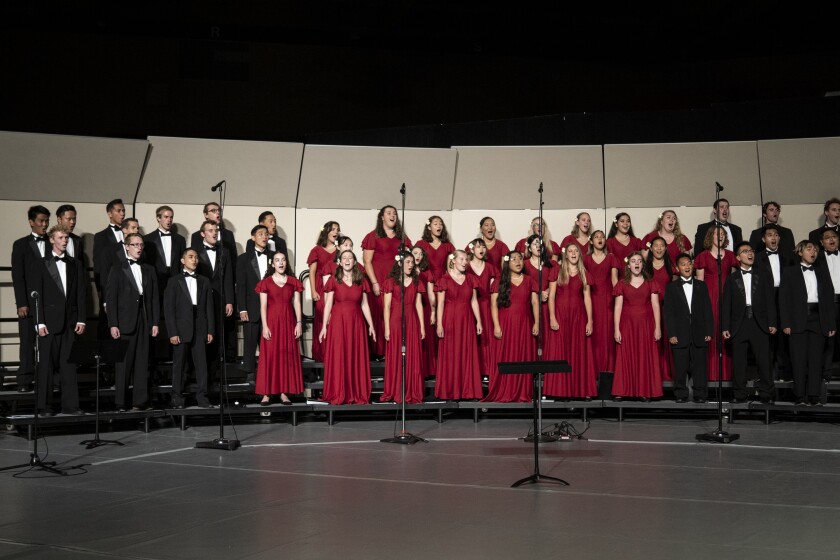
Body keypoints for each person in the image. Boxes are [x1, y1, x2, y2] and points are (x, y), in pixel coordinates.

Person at [34, 225, 86, 415]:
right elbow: (36, 295)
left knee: (69, 365)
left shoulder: (76, 263)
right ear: (52, 240)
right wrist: (39, 322)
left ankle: (71, 406)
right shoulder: (41, 263)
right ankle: (45, 406)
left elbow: (81, 293)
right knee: (46, 366)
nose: (64, 241)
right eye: (61, 237)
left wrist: (81, 319)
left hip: (70, 322)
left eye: (66, 238)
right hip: (48, 322)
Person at [105, 233, 160, 411]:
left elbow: (153, 299)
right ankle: (121, 402)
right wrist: (113, 323)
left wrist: (154, 323)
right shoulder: (117, 269)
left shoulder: (149, 269)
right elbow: (111, 299)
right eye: (135, 245)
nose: (139, 248)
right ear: (126, 247)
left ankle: (140, 401)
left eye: (141, 245)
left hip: (144, 320)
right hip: (124, 322)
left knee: (142, 362)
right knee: (123, 365)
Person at [781, 240, 836, 405]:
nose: (813, 252)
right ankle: (799, 396)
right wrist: (786, 323)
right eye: (809, 249)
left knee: (816, 359)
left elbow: (828, 299)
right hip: (797, 319)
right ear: (800, 252)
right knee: (798, 359)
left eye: (815, 250)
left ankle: (813, 395)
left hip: (817, 319)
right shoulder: (790, 272)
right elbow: (784, 299)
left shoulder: (821, 272)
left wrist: (830, 324)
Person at [722, 241, 777, 403]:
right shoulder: (732, 279)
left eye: (751, 250)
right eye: (745, 251)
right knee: (739, 363)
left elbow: (770, 301)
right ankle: (739, 394)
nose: (750, 253)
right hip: (739, 324)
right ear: (738, 257)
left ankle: (767, 394)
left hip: (759, 323)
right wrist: (725, 326)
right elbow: (727, 304)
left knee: (764, 361)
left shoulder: (763, 275)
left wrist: (772, 322)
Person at [319, 250, 376, 405]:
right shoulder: (333, 279)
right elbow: (328, 304)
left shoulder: (361, 280)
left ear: (355, 261)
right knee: (340, 355)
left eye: (350, 258)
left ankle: (356, 391)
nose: (347, 260)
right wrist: (324, 326)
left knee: (355, 355)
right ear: (340, 262)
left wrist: (371, 325)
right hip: (338, 322)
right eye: (344, 258)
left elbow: (364, 304)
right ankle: (339, 391)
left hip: (356, 322)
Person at [483, 251, 538, 402]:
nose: (518, 261)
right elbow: (493, 305)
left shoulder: (529, 280)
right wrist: (496, 325)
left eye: (520, 258)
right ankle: (503, 391)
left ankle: (521, 392)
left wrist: (537, 322)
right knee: (505, 356)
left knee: (522, 356)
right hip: (505, 323)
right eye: (514, 259)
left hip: (524, 324)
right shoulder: (499, 281)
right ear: (508, 263)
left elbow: (534, 303)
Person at [164, 248, 214, 409]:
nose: (194, 260)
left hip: (200, 327)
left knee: (202, 365)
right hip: (180, 328)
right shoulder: (174, 281)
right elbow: (169, 309)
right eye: (190, 257)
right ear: (182, 260)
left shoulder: (204, 281)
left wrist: (210, 330)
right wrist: (172, 332)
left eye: (196, 257)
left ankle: (202, 397)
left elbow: (209, 308)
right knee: (179, 365)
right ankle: (177, 397)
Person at [545, 243, 595, 400]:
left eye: (576, 251)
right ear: (566, 255)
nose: (573, 253)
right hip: (560, 315)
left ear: (579, 255)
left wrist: (590, 321)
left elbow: (587, 298)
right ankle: (560, 391)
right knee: (560, 351)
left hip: (578, 317)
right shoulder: (556, 271)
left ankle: (578, 389)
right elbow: (551, 296)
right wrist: (552, 317)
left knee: (578, 351)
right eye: (570, 251)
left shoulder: (584, 274)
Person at [664, 253, 713, 403]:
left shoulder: (701, 285)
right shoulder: (671, 288)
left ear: (692, 266)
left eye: (689, 264)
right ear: (677, 268)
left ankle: (700, 394)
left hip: (699, 331)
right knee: (680, 366)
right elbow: (669, 313)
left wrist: (709, 330)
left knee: (699, 365)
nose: (687, 266)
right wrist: (671, 333)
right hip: (679, 332)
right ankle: (680, 394)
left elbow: (707, 309)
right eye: (683, 264)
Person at [363, 206, 412, 358]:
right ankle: (378, 351)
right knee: (378, 313)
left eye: (395, 214)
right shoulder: (373, 236)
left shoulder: (401, 237)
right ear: (382, 217)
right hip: (378, 281)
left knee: (394, 314)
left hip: (396, 283)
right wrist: (374, 283)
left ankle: (393, 349)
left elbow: (410, 259)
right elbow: (367, 261)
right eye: (389, 213)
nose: (393, 216)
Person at [612, 251, 662, 401]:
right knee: (624, 356)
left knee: (644, 356)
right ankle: (622, 390)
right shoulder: (621, 283)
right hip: (627, 325)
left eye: (639, 261)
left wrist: (658, 327)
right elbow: (618, 307)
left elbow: (655, 305)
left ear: (643, 264)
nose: (637, 263)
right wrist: (616, 329)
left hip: (646, 325)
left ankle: (644, 390)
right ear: (628, 265)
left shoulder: (651, 282)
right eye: (633, 261)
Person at [11, 205, 50, 392]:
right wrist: (22, 303)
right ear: (31, 222)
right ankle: (24, 381)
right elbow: (18, 276)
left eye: (47, 221)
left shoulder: (53, 242)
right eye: (41, 221)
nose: (45, 224)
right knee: (27, 342)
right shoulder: (20, 245)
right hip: (29, 301)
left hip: (49, 304)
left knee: (48, 342)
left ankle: (48, 379)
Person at [256, 252, 303, 405]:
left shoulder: (293, 282)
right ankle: (266, 393)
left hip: (288, 322)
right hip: (272, 323)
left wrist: (299, 323)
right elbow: (263, 306)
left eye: (283, 260)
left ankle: (284, 393)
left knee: (286, 357)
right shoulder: (266, 282)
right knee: (269, 356)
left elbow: (297, 304)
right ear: (273, 264)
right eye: (277, 260)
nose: (281, 263)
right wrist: (265, 326)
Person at [435, 250, 483, 400]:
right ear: (453, 260)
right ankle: (450, 391)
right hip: (450, 320)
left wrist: (479, 321)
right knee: (451, 354)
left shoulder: (470, 279)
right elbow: (440, 304)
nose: (464, 262)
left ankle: (468, 390)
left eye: (466, 260)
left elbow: (474, 301)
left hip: (467, 320)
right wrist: (439, 324)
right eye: (461, 259)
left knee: (467, 353)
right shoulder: (444, 279)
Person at [693, 225, 737, 381]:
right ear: (710, 236)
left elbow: (733, 281)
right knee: (710, 332)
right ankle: (709, 375)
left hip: (727, 298)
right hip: (709, 298)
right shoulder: (702, 257)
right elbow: (698, 285)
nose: (720, 236)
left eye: (723, 234)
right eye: (717, 234)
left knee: (725, 333)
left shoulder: (731, 256)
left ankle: (726, 375)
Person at [381, 251, 426, 403]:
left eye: (412, 263)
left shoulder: (416, 281)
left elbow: (418, 304)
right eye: (407, 262)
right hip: (395, 320)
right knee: (396, 354)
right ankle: (396, 390)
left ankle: (412, 391)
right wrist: (387, 327)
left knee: (412, 354)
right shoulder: (390, 282)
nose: (411, 265)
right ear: (399, 263)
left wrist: (422, 326)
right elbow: (386, 306)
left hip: (412, 319)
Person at [195, 220, 234, 378]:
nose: (214, 233)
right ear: (203, 234)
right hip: (200, 301)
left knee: (218, 336)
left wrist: (229, 300)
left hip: (219, 299)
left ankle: (215, 374)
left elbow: (228, 278)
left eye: (216, 230)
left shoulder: (224, 252)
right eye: (210, 230)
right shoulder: (194, 252)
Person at [754, 224, 794, 380]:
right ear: (764, 239)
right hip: (765, 301)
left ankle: (785, 374)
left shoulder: (788, 258)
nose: (773, 237)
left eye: (776, 234)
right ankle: (767, 375)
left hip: (784, 300)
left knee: (784, 339)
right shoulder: (756, 258)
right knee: (767, 339)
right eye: (769, 235)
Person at [237, 225, 274, 386]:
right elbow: (241, 285)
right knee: (250, 340)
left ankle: (270, 371)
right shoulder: (244, 258)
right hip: (251, 305)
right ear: (253, 238)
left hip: (272, 306)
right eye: (260, 234)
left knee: (269, 342)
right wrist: (242, 308)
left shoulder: (275, 256)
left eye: (266, 234)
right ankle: (250, 373)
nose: (264, 237)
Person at [584, 230, 619, 375]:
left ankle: (608, 371)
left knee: (607, 335)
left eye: (602, 237)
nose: (600, 239)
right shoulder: (585, 259)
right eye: (596, 237)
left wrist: (619, 300)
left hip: (608, 300)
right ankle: (593, 372)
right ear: (591, 241)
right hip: (591, 299)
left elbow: (615, 281)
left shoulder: (611, 258)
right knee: (594, 336)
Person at [93, 198, 125, 342]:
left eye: (123, 210)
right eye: (119, 211)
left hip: (127, 286)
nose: (122, 214)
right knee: (106, 321)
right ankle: (105, 358)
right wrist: (100, 289)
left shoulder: (133, 235)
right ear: (109, 213)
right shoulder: (100, 236)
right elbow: (98, 265)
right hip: (109, 285)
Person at [307, 221, 340, 362]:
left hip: (338, 288)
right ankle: (323, 354)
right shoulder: (316, 250)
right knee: (323, 319)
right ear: (326, 232)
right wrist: (313, 291)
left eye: (338, 230)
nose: (336, 232)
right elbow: (312, 272)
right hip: (321, 288)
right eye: (333, 229)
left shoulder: (340, 250)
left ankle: (336, 353)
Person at [645, 236, 675, 381]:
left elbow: (677, 288)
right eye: (656, 245)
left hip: (668, 309)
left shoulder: (671, 266)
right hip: (650, 310)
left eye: (662, 245)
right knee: (653, 342)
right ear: (651, 248)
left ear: (666, 248)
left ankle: (667, 374)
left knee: (667, 343)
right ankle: (653, 374)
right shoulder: (645, 266)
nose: (659, 248)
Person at [467, 238, 497, 380]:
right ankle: (474, 371)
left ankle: (487, 370)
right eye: (478, 246)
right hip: (470, 307)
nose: (481, 249)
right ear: (472, 249)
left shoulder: (490, 267)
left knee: (487, 338)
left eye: (483, 247)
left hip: (486, 306)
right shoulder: (465, 266)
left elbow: (494, 289)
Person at [143, 205, 186, 302]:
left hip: (175, 279)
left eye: (171, 217)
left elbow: (182, 262)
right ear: (158, 218)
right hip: (156, 279)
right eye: (166, 217)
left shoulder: (180, 240)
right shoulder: (147, 239)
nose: (169, 220)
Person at [523, 234, 557, 340]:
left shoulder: (552, 264)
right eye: (535, 244)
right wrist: (538, 295)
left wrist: (547, 292)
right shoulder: (524, 265)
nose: (538, 246)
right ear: (529, 247)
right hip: (531, 305)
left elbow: (557, 283)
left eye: (540, 244)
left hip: (549, 303)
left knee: (548, 337)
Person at [816, 229, 840, 381]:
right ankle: (826, 372)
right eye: (827, 238)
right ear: (821, 242)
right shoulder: (817, 258)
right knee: (828, 338)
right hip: (827, 302)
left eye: (834, 237)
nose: (831, 240)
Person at [412, 245, 437, 378]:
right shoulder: (406, 271)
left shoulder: (427, 272)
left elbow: (431, 293)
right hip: (411, 308)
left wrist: (433, 311)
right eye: (415, 253)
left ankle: (427, 370)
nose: (418, 256)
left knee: (425, 338)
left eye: (421, 254)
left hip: (425, 306)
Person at [414, 215, 456, 279]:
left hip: (442, 279)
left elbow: (453, 265)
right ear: (429, 227)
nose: (439, 226)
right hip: (424, 279)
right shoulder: (421, 244)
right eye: (435, 224)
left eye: (441, 224)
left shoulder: (448, 245)